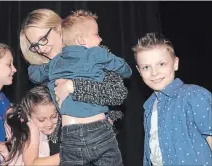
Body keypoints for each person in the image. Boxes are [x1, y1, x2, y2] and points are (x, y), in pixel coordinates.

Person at [27, 10, 131, 166]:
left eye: (42, 39)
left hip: (98, 134)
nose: (40, 48)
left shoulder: (95, 52)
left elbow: (118, 94)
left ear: (58, 28)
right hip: (68, 143)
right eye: (34, 46)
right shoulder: (49, 67)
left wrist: (73, 86)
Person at [132, 32, 212, 166]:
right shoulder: (149, 106)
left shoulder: (194, 95)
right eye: (146, 67)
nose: (154, 72)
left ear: (175, 63)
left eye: (161, 64)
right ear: (139, 71)